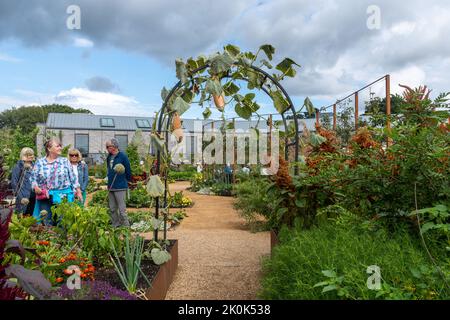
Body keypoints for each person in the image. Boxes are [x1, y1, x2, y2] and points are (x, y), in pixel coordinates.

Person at [31, 138, 82, 226]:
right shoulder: (40, 162)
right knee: (46, 221)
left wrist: (78, 191)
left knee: (63, 222)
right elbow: (33, 178)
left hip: (63, 197)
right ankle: (48, 239)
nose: (60, 148)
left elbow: (73, 178)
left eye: (60, 146)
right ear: (49, 148)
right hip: (45, 196)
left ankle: (63, 239)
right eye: (57, 146)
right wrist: (35, 187)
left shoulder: (64, 161)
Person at [106, 138, 132, 227]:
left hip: (120, 186)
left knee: (122, 210)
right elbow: (109, 170)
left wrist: (127, 182)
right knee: (112, 209)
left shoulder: (122, 156)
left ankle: (126, 227)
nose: (107, 148)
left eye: (108, 146)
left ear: (114, 146)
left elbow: (128, 170)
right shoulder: (109, 157)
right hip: (111, 186)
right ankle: (115, 226)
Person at [10, 147, 36, 215]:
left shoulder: (35, 166)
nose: (31, 156)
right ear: (23, 155)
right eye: (28, 154)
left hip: (34, 196)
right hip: (23, 196)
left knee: (31, 217)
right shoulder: (18, 167)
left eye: (32, 154)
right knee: (21, 215)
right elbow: (14, 183)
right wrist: (20, 196)